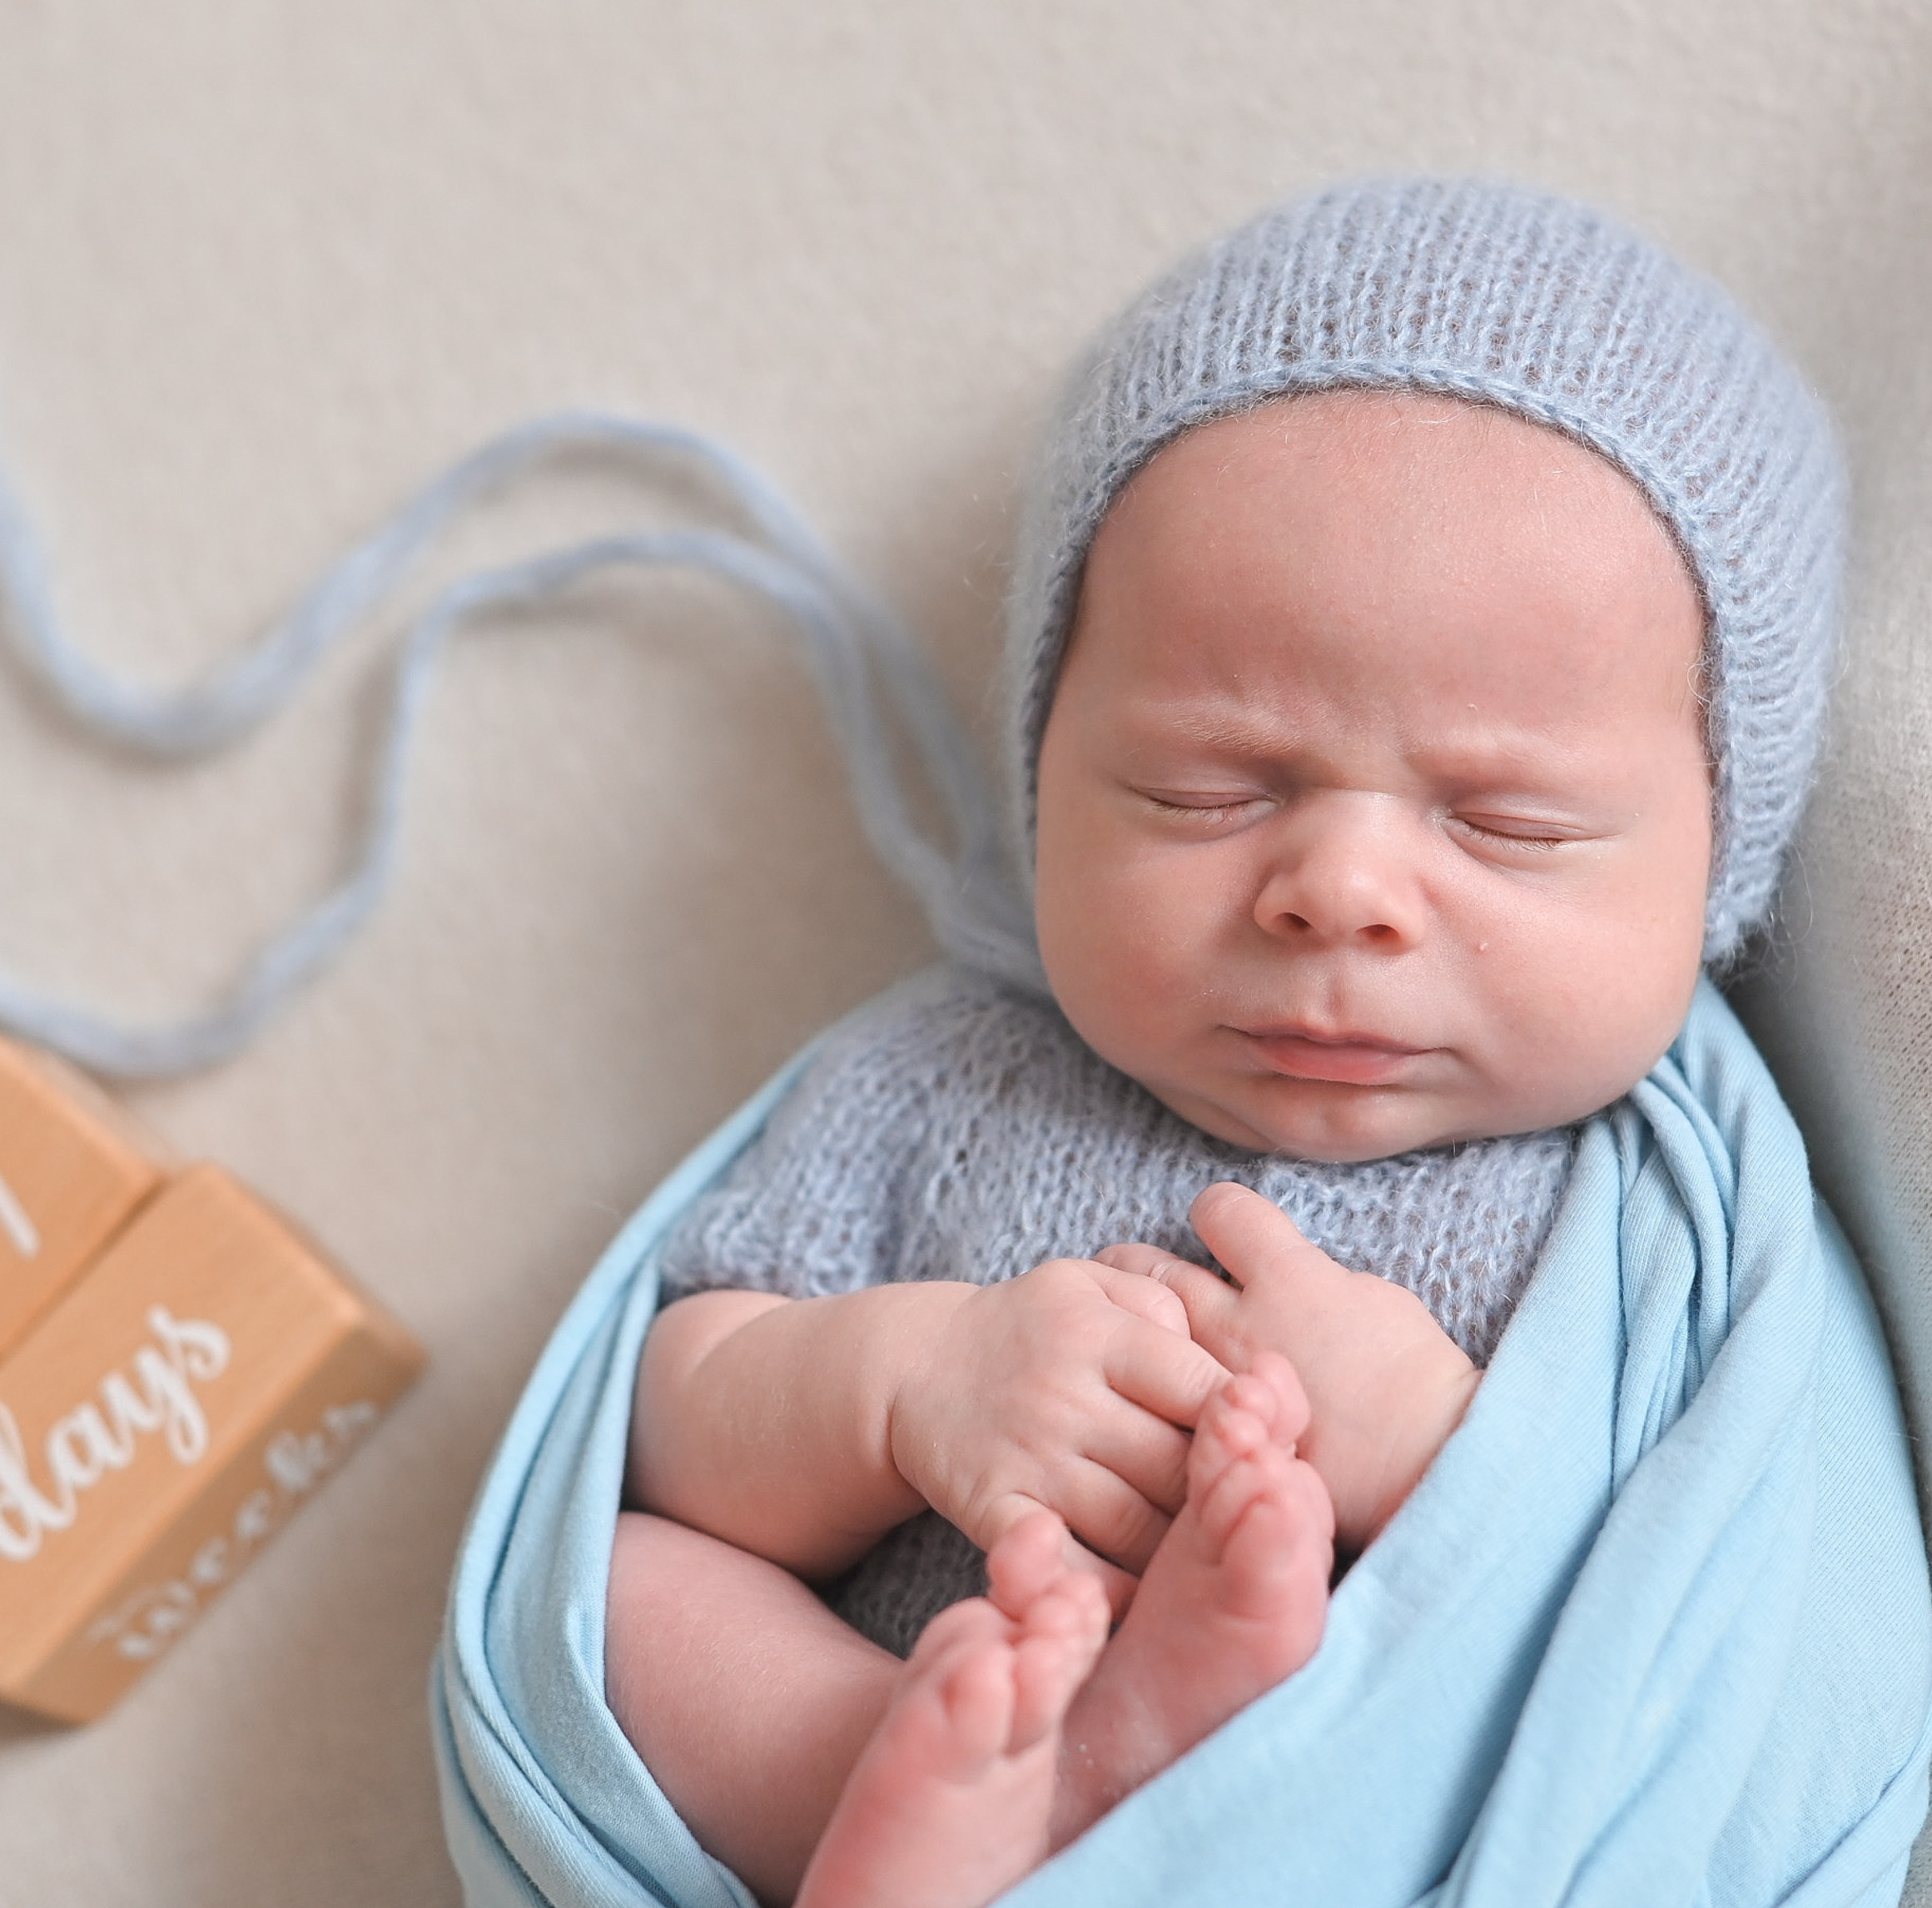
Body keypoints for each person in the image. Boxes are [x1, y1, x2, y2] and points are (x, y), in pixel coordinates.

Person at [603, 177, 1867, 1908]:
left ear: (1715, 863)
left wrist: (1436, 1450)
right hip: (883, 1785)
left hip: (1367, 1843)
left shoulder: (1654, 1221)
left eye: (1503, 822)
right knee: (619, 1594)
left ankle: (1111, 1807)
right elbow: (670, 1419)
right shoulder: (940, 1081)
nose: (1337, 890)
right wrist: (905, 1381)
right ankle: (945, 1784)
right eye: (1206, 789)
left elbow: (1729, 1641)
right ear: (1045, 767)